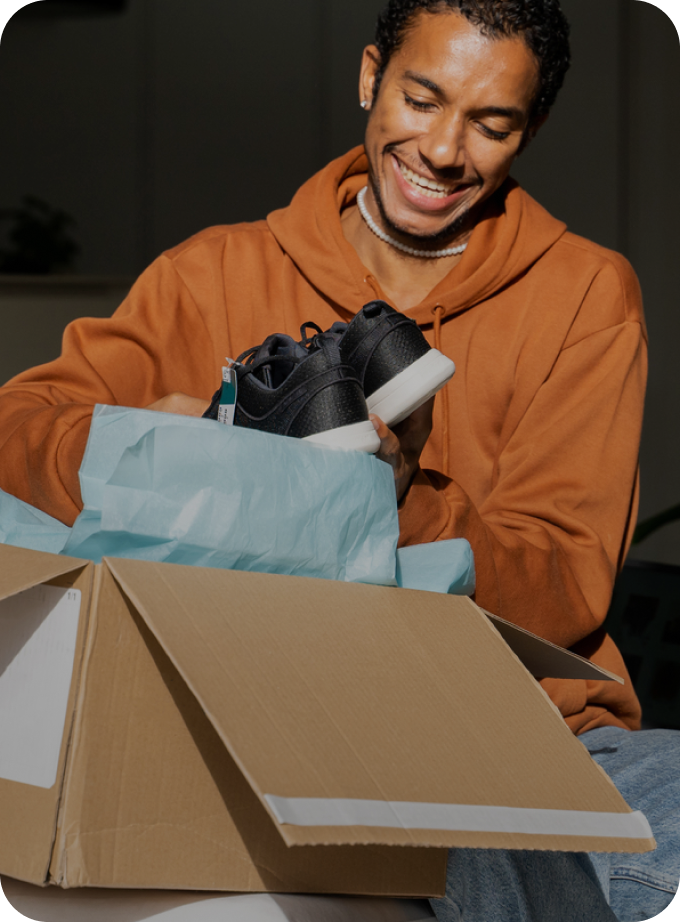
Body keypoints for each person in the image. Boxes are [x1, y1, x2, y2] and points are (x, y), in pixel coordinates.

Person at [0, 1, 677, 918]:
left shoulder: (586, 294)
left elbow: (564, 587)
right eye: (421, 99)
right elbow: (18, 426)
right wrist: (166, 445)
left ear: (533, 127)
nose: (443, 150)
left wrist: (392, 500)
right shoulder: (211, 271)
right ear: (370, 76)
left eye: (491, 124)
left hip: (534, 729)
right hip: (273, 717)